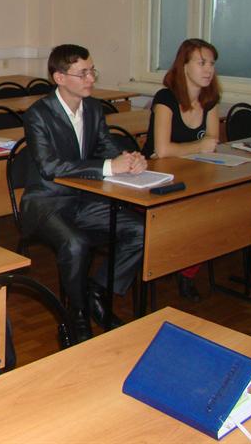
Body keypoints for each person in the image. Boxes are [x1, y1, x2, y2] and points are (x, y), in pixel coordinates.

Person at [20, 44, 145, 342]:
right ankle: (75, 317)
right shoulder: (38, 114)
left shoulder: (93, 108)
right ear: (59, 78)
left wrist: (129, 159)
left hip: (82, 198)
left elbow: (105, 146)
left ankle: (97, 291)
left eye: (92, 71)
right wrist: (109, 167)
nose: (91, 79)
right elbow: (50, 166)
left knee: (140, 229)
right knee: (76, 244)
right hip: (45, 201)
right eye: (83, 73)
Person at [142, 38, 221, 302]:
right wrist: (198, 146)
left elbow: (213, 143)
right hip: (156, 178)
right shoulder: (165, 98)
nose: (208, 69)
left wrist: (191, 149)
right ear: (184, 66)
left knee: (217, 211)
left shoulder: (210, 100)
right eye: (201, 63)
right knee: (192, 215)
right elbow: (163, 150)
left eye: (211, 64)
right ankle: (171, 264)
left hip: (194, 173)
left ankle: (187, 273)